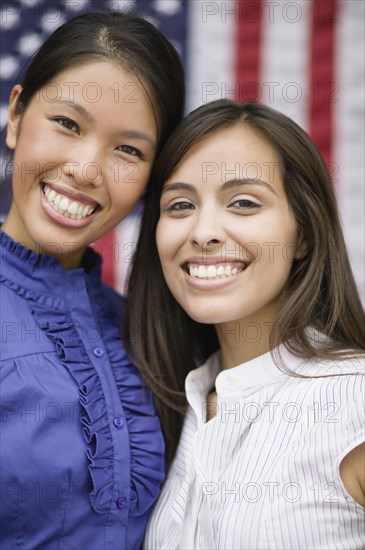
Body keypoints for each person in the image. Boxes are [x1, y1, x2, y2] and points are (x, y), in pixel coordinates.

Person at [124, 99, 365, 549]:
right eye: (179, 205)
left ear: (305, 233)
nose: (203, 231)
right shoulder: (180, 403)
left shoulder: (354, 397)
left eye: (243, 202)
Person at [0, 11, 184, 550]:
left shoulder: (146, 329)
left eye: (128, 150)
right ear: (15, 115)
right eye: (67, 124)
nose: (86, 168)